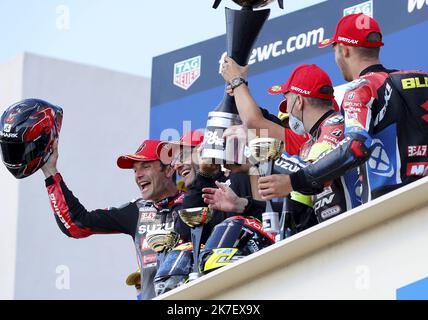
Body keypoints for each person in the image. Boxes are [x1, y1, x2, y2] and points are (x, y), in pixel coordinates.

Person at [264, 13, 428, 205]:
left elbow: (355, 146)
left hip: (391, 206)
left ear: (344, 50)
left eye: (334, 50)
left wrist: (296, 180)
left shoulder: (361, 89)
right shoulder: (423, 79)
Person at [41, 139, 184, 300]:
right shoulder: (137, 211)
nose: (138, 175)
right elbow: (76, 224)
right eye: (135, 170)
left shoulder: (196, 203)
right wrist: (50, 171)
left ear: (169, 170)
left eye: (146, 166)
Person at [220, 60, 348, 224]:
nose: (287, 111)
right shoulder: (307, 142)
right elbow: (299, 212)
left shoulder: (335, 126)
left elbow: (314, 174)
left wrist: (258, 151)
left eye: (287, 101)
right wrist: (243, 205)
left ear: (299, 101)